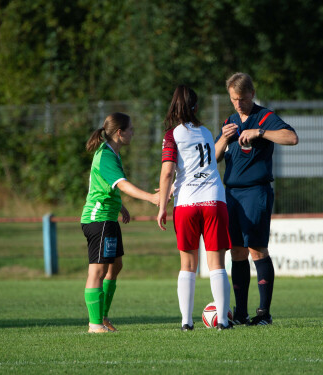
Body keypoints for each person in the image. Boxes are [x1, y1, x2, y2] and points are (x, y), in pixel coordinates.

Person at [215, 73, 299, 326]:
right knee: (237, 252)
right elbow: (214, 158)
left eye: (241, 98)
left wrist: (260, 132)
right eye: (233, 99)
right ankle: (240, 314)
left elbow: (291, 138)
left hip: (255, 191)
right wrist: (222, 138)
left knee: (257, 249)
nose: (238, 104)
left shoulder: (265, 117)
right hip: (231, 194)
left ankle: (264, 313)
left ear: (252, 94)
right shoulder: (230, 120)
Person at [157, 85, 233, 331]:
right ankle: (222, 320)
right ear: (196, 107)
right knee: (217, 264)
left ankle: (186, 322)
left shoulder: (172, 135)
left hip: (187, 203)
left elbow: (168, 171)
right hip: (214, 200)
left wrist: (161, 207)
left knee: (188, 265)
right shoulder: (207, 132)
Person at [81, 112, 160, 333]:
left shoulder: (113, 153)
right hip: (99, 219)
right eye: (131, 129)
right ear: (119, 132)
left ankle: (103, 317)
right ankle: (94, 324)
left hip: (109, 217)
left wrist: (121, 207)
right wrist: (151, 197)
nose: (133, 132)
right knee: (97, 270)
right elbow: (123, 185)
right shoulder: (105, 155)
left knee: (115, 266)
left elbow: (107, 187)